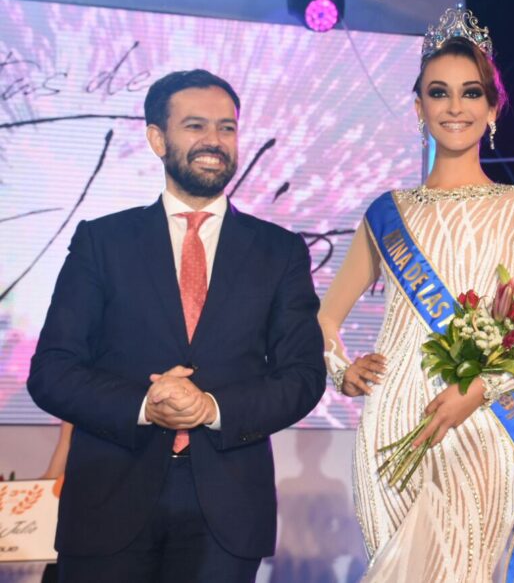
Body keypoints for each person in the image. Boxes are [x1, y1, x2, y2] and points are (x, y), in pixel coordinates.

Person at [27, 69, 326, 582]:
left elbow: (303, 377)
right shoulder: (103, 242)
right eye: (195, 126)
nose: (214, 141)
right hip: (107, 502)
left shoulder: (278, 252)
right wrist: (144, 406)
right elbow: (52, 371)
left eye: (227, 128)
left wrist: (211, 408)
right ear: (157, 138)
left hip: (226, 513)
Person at [318, 5, 514, 582]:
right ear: (419, 107)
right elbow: (325, 317)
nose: (455, 106)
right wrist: (341, 370)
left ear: (492, 107)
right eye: (439, 92)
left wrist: (479, 390)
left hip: (482, 417)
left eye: (471, 92)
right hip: (392, 421)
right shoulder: (386, 212)